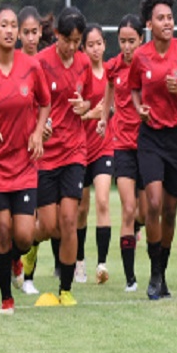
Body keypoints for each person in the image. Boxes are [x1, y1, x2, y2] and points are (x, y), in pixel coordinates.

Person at [0, 6, 51, 314]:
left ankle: (18, 259)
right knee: (1, 230)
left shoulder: (31, 67)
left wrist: (37, 131)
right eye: (2, 25)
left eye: (13, 25)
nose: (8, 30)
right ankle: (6, 297)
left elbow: (44, 102)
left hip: (24, 162)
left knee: (24, 234)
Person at [129, 0, 177, 300]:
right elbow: (133, 90)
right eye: (160, 18)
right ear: (149, 25)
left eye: (170, 17)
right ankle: (154, 273)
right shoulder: (141, 56)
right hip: (150, 137)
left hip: (176, 138)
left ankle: (163, 273)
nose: (167, 22)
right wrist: (138, 109)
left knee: (171, 210)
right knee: (154, 204)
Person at [21, 7, 90, 306]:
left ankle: (65, 290)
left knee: (68, 220)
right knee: (48, 226)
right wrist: (38, 129)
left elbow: (90, 102)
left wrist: (86, 107)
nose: (73, 47)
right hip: (45, 156)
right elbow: (27, 104)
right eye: (69, 40)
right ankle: (33, 246)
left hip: (75, 151)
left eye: (78, 41)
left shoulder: (85, 64)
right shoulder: (39, 63)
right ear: (58, 35)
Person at [102, 14, 146, 291]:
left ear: (141, 40)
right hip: (122, 146)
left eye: (132, 41)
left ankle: (139, 226)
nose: (127, 47)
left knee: (147, 210)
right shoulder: (113, 68)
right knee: (128, 209)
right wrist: (102, 118)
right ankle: (130, 278)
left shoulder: (148, 65)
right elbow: (107, 98)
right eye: (122, 41)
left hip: (149, 145)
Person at [77, 23, 115, 285]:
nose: (95, 49)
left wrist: (105, 112)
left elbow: (113, 107)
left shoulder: (111, 73)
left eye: (99, 43)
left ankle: (101, 264)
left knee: (103, 201)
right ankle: (79, 260)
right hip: (80, 148)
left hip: (104, 146)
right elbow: (77, 112)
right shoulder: (80, 73)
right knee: (81, 208)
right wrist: (94, 113)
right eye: (90, 45)